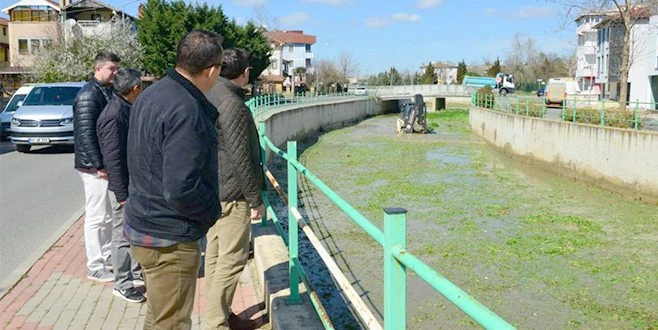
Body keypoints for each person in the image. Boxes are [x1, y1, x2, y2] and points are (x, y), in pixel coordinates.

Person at [124, 30, 223, 329]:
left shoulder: (152, 93)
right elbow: (182, 187)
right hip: (168, 236)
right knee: (173, 322)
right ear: (212, 70)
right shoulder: (186, 108)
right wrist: (212, 211)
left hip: (145, 222)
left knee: (160, 317)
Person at [205, 48, 265, 330]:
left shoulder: (210, 93)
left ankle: (220, 315)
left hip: (213, 190)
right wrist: (255, 200)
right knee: (231, 261)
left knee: (216, 259)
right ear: (244, 73)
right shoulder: (232, 104)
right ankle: (216, 323)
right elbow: (241, 156)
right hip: (231, 194)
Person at [96, 67, 145, 303]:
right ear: (134, 88)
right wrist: (122, 193)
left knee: (131, 233)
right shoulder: (115, 115)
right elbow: (113, 159)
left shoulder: (124, 108)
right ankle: (122, 283)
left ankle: (134, 274)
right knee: (122, 235)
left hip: (130, 184)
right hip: (123, 188)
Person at [73, 51, 120, 282]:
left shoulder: (104, 90)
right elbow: (86, 134)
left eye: (116, 69)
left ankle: (108, 256)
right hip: (93, 167)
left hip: (103, 165)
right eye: (112, 69)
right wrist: (98, 165)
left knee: (108, 216)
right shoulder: (88, 96)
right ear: (98, 68)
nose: (115, 73)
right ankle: (94, 264)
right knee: (96, 216)